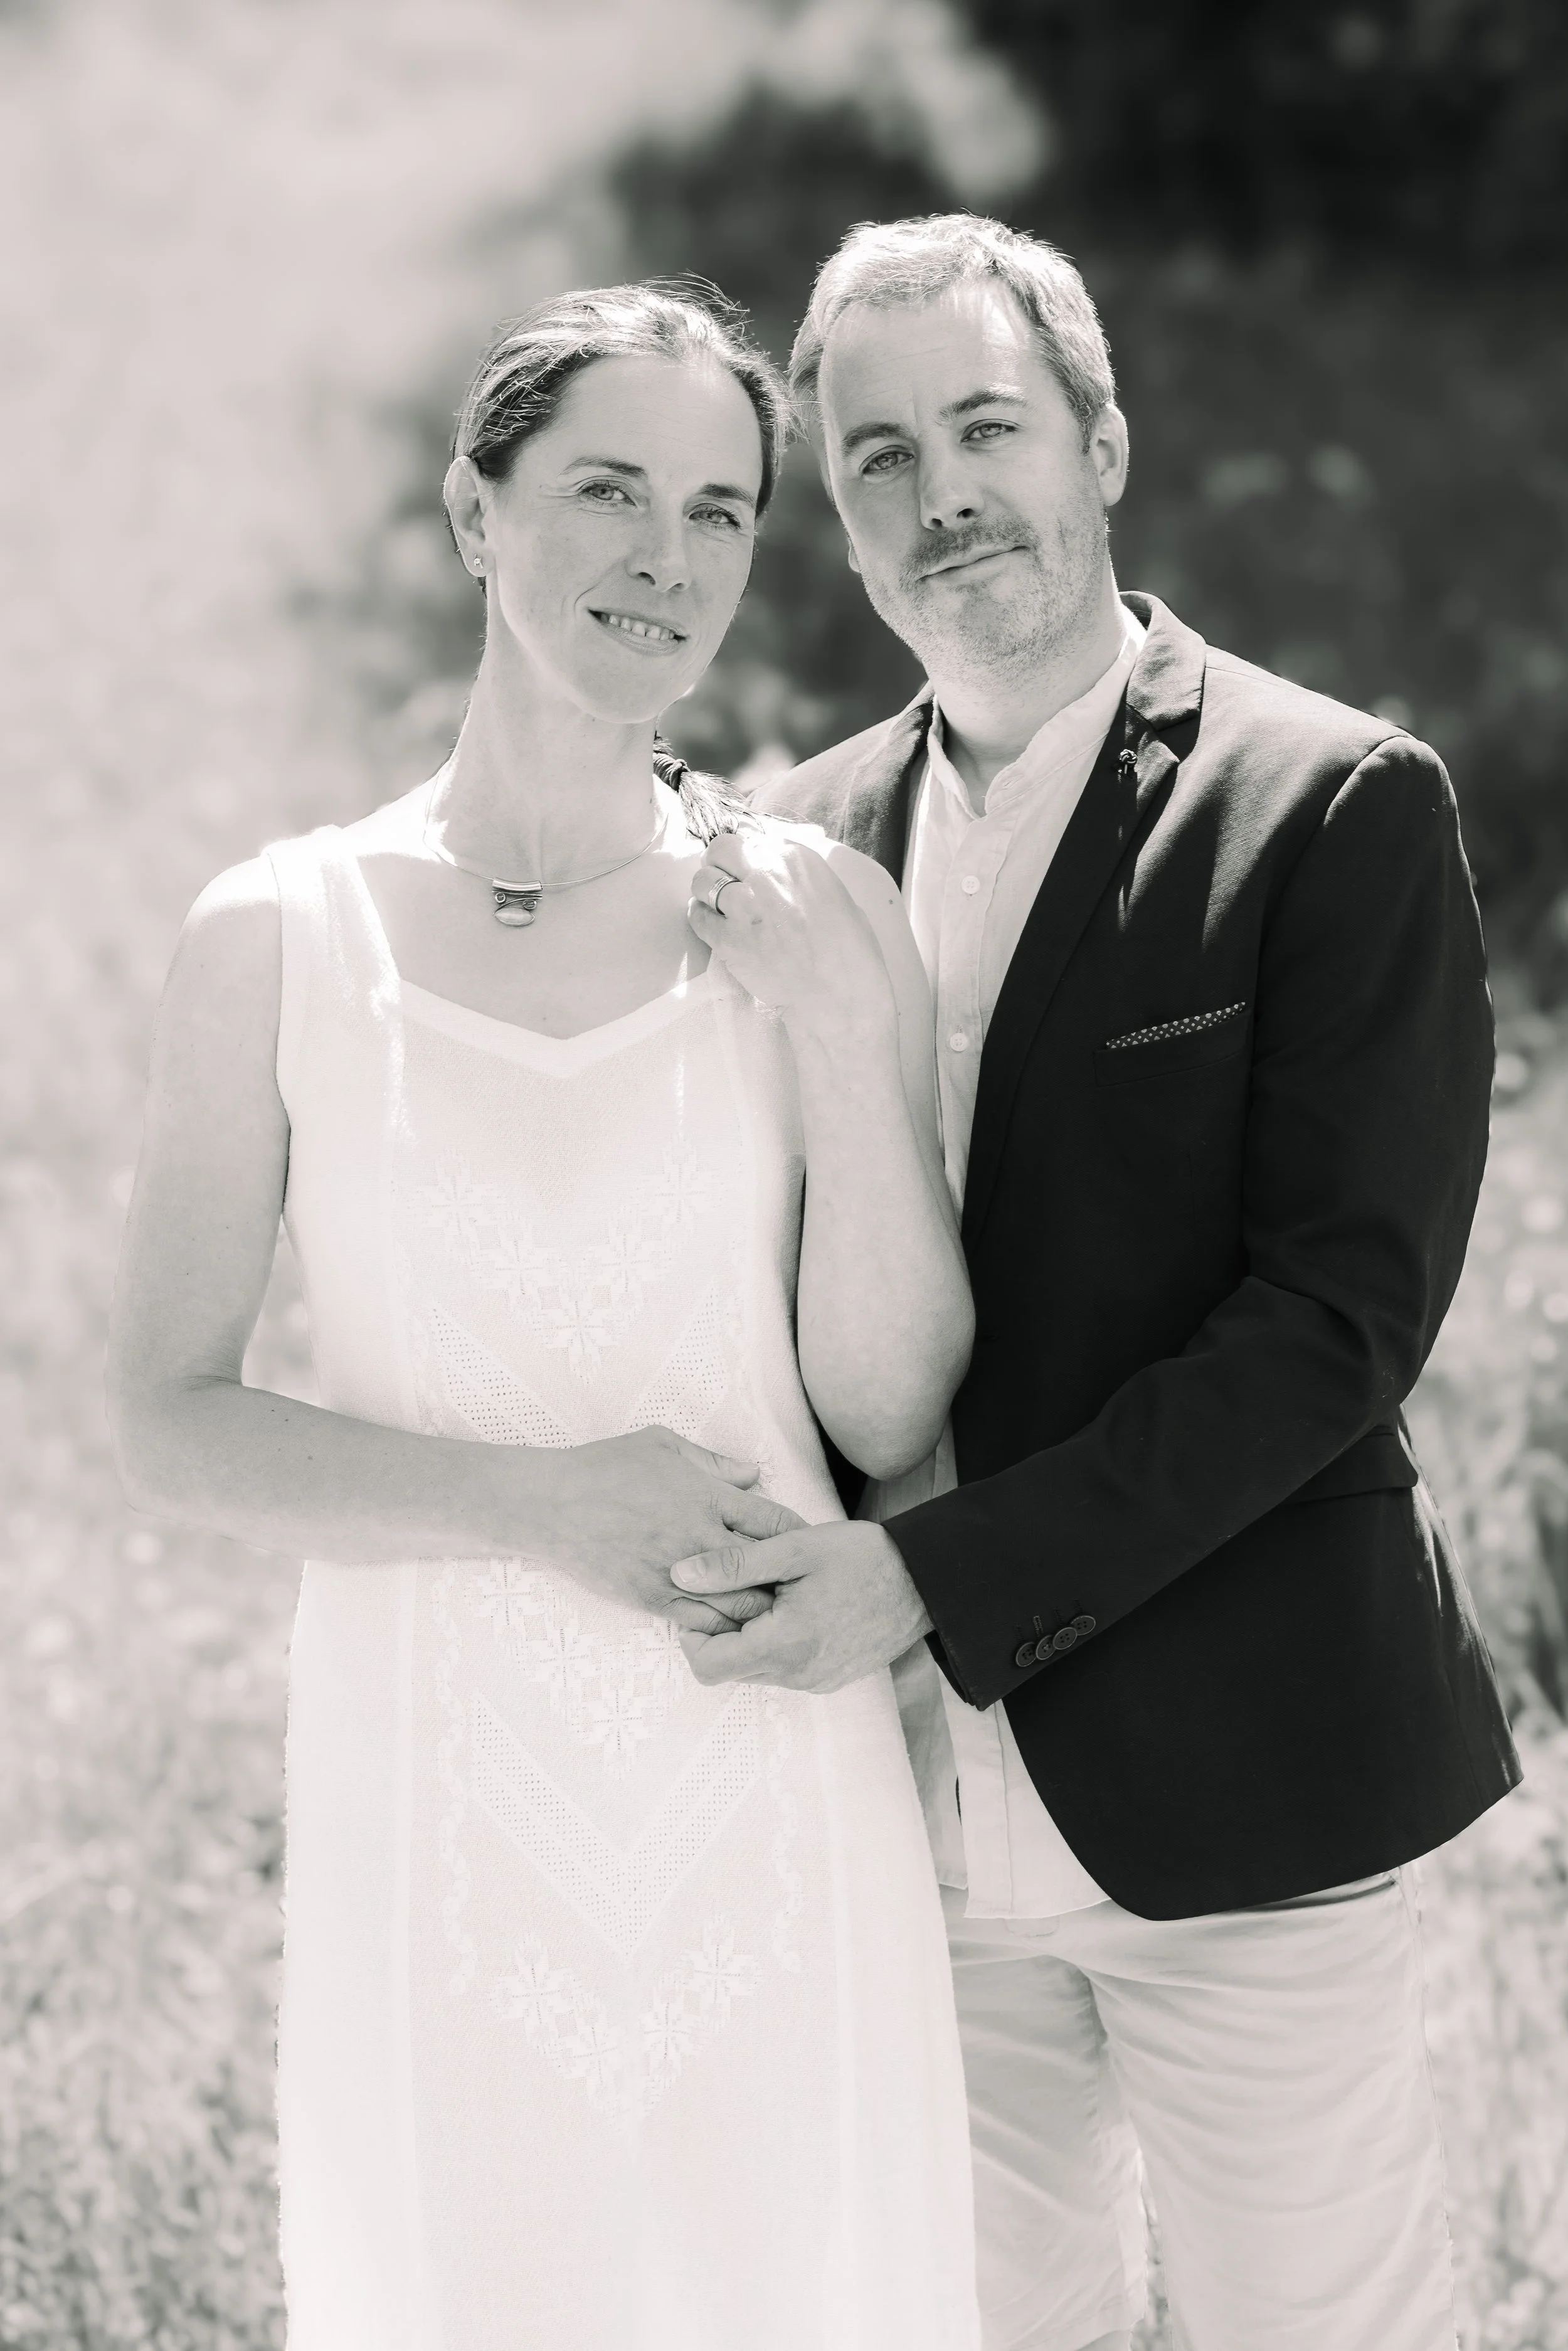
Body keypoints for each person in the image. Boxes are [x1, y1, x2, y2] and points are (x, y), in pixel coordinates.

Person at [670, 215, 1523, 2351]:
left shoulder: (1323, 803)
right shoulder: (787, 849)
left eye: (985, 425)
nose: (941, 492)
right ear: (838, 527)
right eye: (877, 458)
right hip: (899, 1824)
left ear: (1101, 438)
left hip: (1245, 1793)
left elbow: (1333, 1326)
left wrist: (935, 1576)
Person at [105, 280, 982, 2351]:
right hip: (444, 1823)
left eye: (713, 508)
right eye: (603, 488)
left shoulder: (817, 911)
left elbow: (885, 1403)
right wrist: (530, 1502)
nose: (662, 558)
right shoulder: (282, 934)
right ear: (473, 512)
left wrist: (850, 1053)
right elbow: (167, 1416)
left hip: (771, 1795)